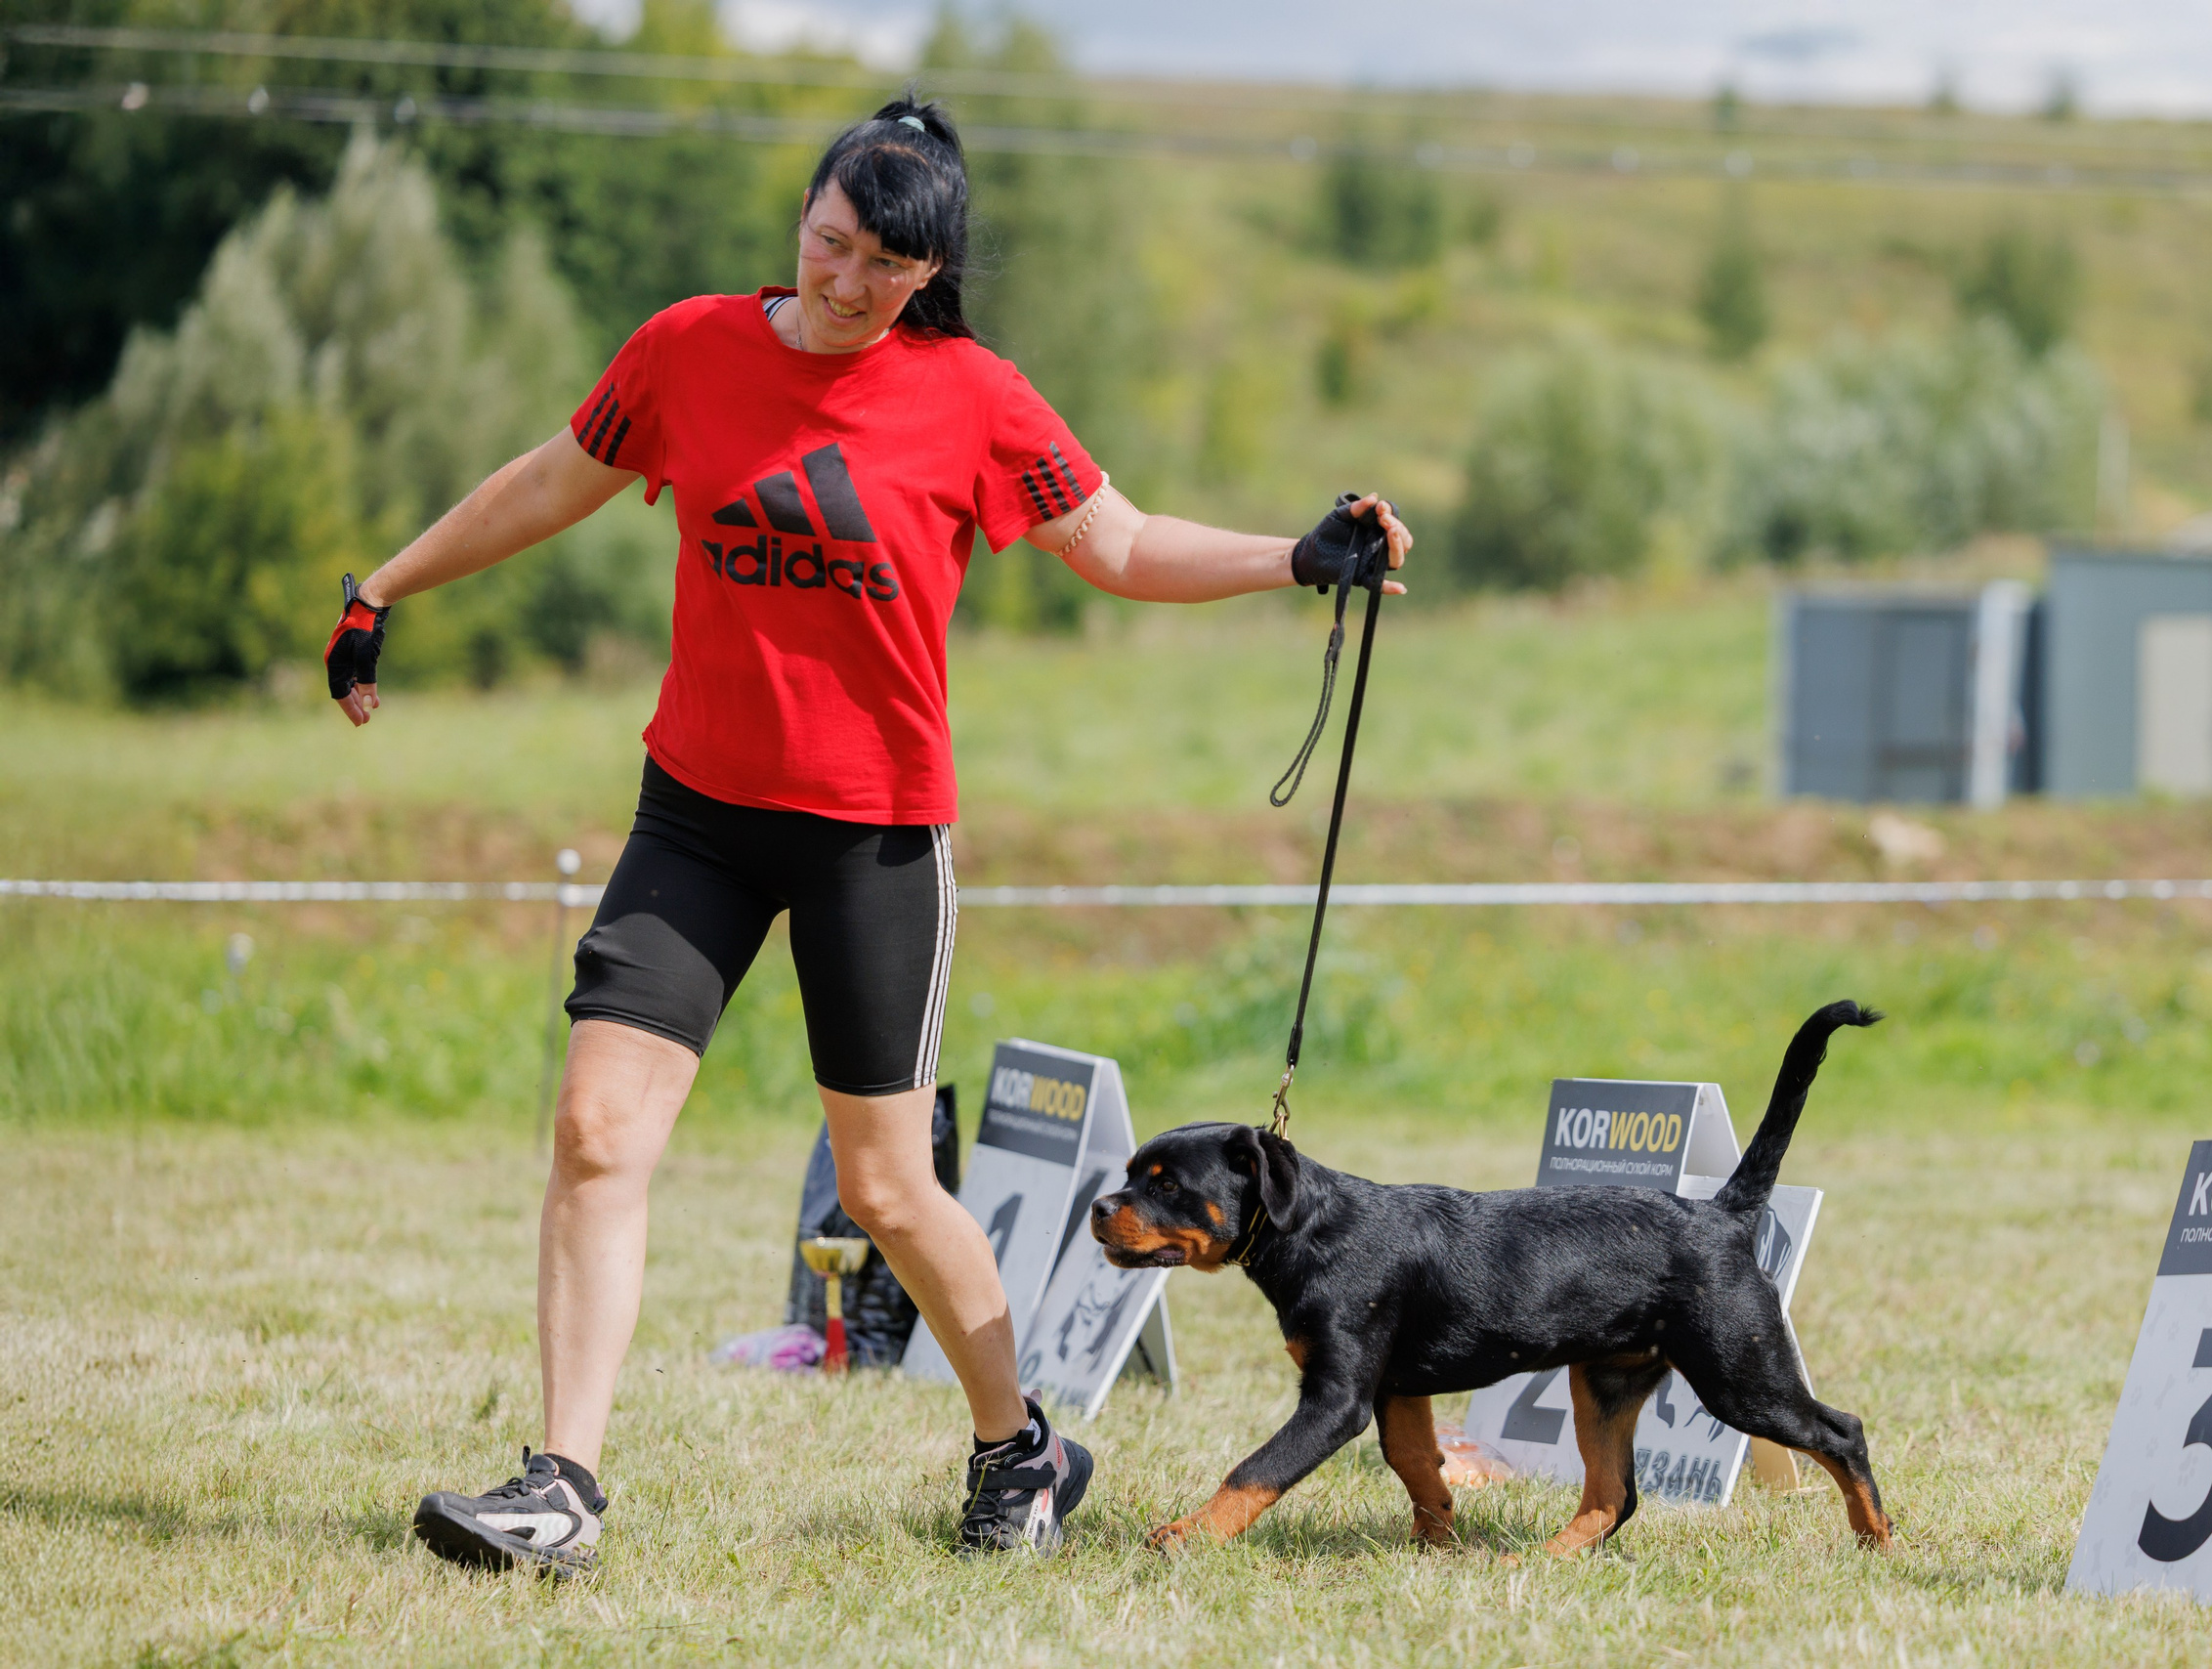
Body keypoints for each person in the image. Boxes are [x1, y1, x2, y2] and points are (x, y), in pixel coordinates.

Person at [322, 95, 1410, 1571]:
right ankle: (562, 1486)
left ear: (927, 277)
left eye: (880, 270)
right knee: (595, 1131)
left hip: (872, 840)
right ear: (807, 217)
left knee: (891, 1189)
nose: (841, 285)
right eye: (828, 244)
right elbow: (549, 480)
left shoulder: (974, 396)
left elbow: (1124, 544)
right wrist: (385, 586)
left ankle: (1019, 1447)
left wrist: (1299, 555)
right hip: (694, 815)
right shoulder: (687, 348)